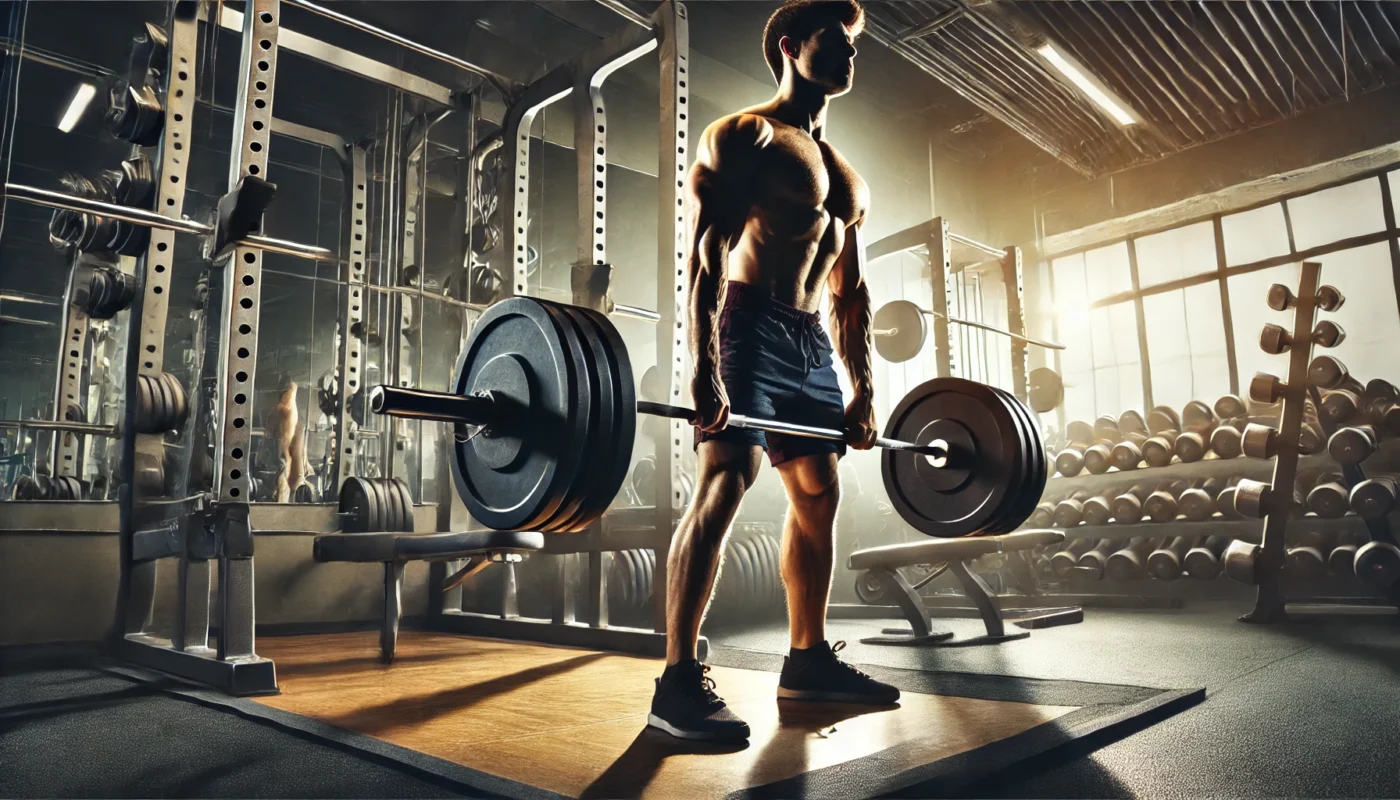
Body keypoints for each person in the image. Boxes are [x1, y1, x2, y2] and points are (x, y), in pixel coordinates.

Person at [648, 0, 899, 743]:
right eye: (836, 41)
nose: (850, 55)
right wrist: (703, 368)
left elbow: (849, 292)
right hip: (748, 323)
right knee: (726, 481)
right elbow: (706, 258)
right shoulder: (746, 134)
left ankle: (807, 660)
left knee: (820, 495)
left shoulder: (849, 179)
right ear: (792, 46)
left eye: (854, 45)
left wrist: (863, 390)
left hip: (810, 341)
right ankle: (675, 681)